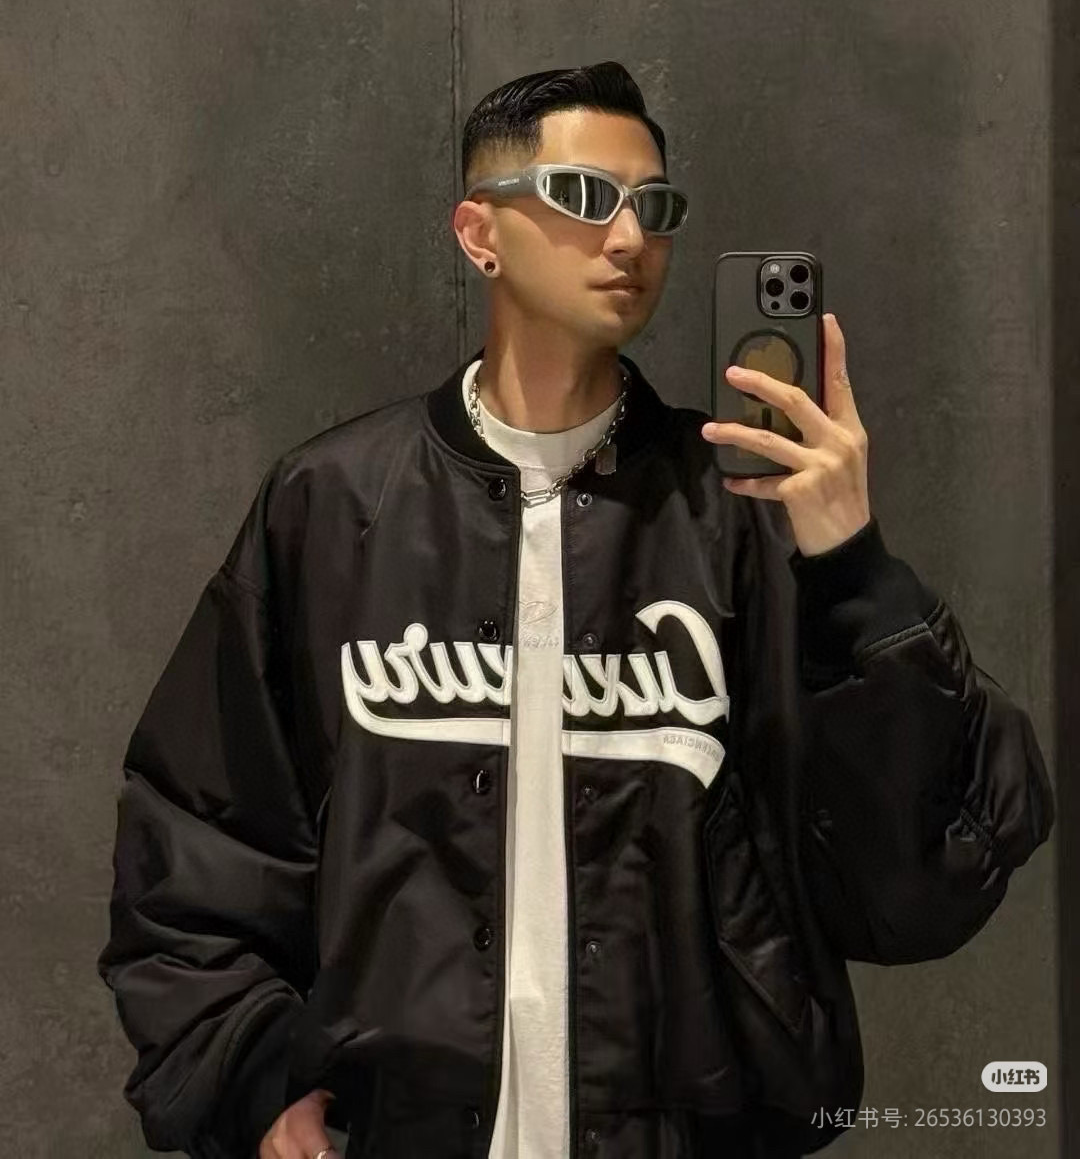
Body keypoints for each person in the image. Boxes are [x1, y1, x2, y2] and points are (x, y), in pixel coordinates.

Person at [97, 61, 1055, 1159]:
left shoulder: (740, 517)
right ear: (480, 233)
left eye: (655, 206)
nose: (630, 237)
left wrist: (853, 564)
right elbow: (199, 830)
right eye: (586, 197)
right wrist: (256, 1073)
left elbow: (926, 875)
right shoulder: (334, 506)